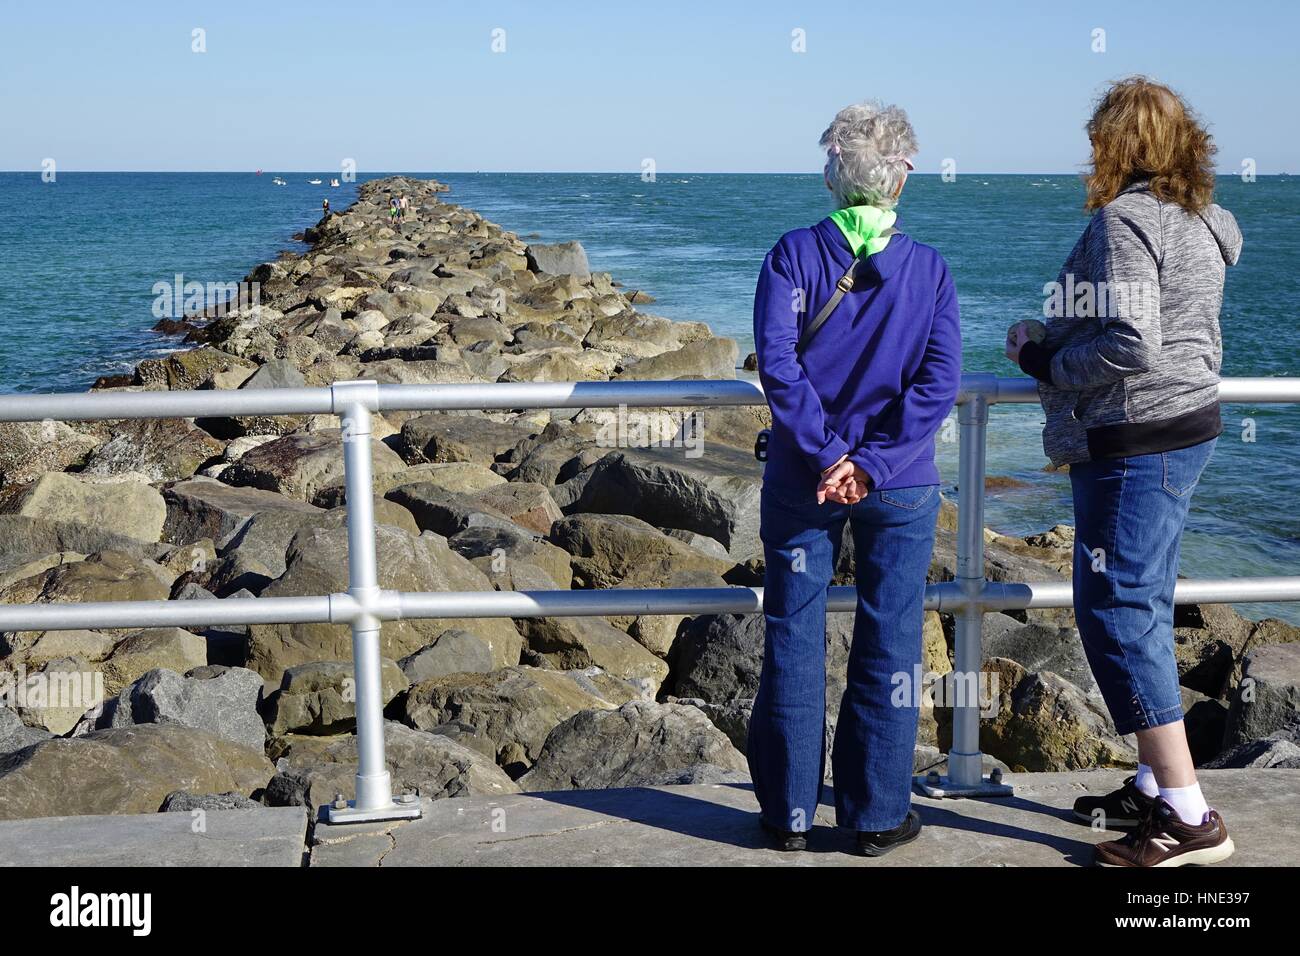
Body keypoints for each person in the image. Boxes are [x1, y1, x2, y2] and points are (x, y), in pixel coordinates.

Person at [1006, 77, 1242, 867]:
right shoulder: (1205, 222)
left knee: (1113, 611)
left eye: (1099, 140)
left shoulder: (1125, 221)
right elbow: (1169, 326)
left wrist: (1041, 354)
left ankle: (1187, 815)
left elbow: (1134, 344)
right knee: (1145, 601)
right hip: (1188, 429)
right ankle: (1151, 780)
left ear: (1114, 145)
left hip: (1136, 440)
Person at [749, 101, 961, 855]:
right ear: (901, 178)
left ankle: (788, 816)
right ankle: (874, 817)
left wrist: (830, 453)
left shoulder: (793, 255)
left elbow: (777, 364)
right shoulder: (930, 270)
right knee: (892, 638)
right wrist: (868, 462)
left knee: (794, 633)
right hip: (898, 485)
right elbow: (938, 386)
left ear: (834, 171)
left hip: (805, 478)